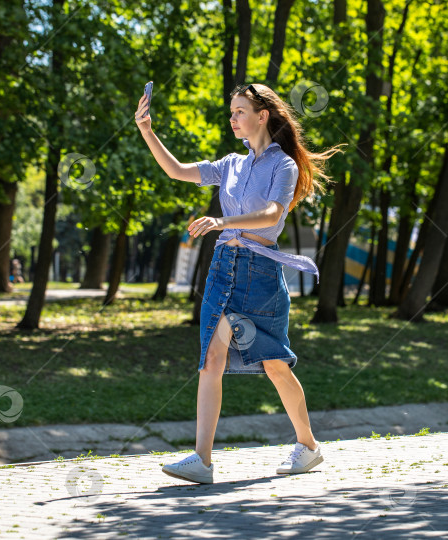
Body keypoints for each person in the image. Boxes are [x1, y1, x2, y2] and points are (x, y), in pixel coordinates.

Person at [135, 83, 343, 484]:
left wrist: (222, 221)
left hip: (260, 274)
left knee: (275, 365)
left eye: (240, 111)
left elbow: (270, 214)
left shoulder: (284, 166)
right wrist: (146, 129)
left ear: (262, 116)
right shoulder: (231, 164)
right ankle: (202, 460)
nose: (232, 118)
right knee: (210, 360)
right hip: (224, 267)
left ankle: (309, 446)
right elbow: (177, 170)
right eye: (231, 112)